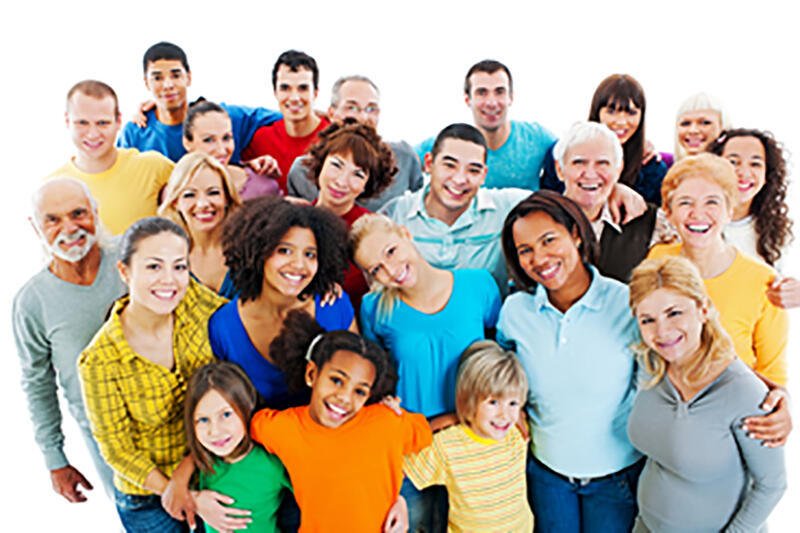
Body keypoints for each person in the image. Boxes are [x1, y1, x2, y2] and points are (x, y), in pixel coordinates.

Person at [497, 191, 643, 533]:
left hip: (617, 477)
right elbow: (504, 369)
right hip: (547, 476)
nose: (540, 258)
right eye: (525, 251)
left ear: (576, 234)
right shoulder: (515, 312)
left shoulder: (627, 303)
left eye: (549, 240)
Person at [351, 213, 501, 532]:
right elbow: (379, 378)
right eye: (375, 268)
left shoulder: (478, 284)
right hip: (413, 448)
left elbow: (500, 357)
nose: (390, 270)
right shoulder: (373, 308)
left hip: (473, 439)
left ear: (406, 234)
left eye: (390, 251)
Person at [78, 217, 228, 532]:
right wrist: (177, 491)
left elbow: (243, 321)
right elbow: (116, 450)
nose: (170, 280)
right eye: (154, 267)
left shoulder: (193, 301)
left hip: (210, 468)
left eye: (180, 266)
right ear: (125, 272)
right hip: (147, 497)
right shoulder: (100, 361)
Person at [627, 256, 786, 532]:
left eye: (674, 313)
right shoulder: (651, 368)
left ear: (703, 309)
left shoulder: (744, 392)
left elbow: (771, 484)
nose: (661, 331)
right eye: (647, 320)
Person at [252, 310, 432, 533]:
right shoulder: (282, 428)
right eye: (337, 380)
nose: (345, 398)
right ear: (312, 374)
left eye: (360, 391)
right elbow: (251, 426)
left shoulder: (386, 421)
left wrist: (395, 410)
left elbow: (423, 432)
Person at [13, 179, 126, 505]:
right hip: (106, 443)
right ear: (36, 227)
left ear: (96, 212)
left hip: (175, 423)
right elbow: (37, 384)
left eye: (78, 213)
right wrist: (55, 460)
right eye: (53, 219)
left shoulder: (133, 257)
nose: (69, 227)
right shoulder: (32, 302)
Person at [648, 153, 789, 386]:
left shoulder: (764, 281)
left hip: (734, 408)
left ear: (729, 211)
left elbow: (774, 373)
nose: (698, 213)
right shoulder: (657, 259)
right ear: (669, 214)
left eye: (712, 202)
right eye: (685, 203)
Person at [208, 196, 355, 408]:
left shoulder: (332, 304)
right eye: (284, 250)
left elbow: (360, 373)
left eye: (310, 254)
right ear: (258, 252)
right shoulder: (224, 326)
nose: (299, 265)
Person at [383, 123, 531, 294]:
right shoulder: (395, 214)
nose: (460, 179)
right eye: (449, 165)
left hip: (485, 319)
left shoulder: (504, 207)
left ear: (483, 175)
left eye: (473, 170)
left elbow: (558, 205)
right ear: (429, 164)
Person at [403, 340, 533, 532]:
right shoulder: (447, 445)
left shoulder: (516, 434)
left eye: (512, 403)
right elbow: (402, 469)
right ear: (469, 400)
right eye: (493, 402)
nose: (504, 415)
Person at [119, 41, 282, 164]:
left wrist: (248, 167)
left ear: (188, 77)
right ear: (147, 83)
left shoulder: (221, 118)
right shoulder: (135, 132)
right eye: (157, 78)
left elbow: (285, 116)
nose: (168, 85)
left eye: (176, 76)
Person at [553, 121, 676, 282]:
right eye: (579, 162)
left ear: (618, 169)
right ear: (560, 170)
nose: (590, 174)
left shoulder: (652, 222)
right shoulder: (538, 220)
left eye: (602, 163)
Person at [47, 80, 174, 235]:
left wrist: (168, 108)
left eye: (102, 123)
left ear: (118, 121)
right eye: (82, 123)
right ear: (68, 121)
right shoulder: (53, 187)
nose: (93, 134)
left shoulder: (154, 167)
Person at [287, 74, 424, 210]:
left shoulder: (404, 157)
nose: (363, 117)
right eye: (352, 107)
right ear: (332, 113)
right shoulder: (301, 172)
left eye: (371, 109)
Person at [415, 59, 556, 190]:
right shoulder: (447, 144)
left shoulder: (537, 138)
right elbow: (402, 162)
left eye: (499, 92)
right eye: (481, 92)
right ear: (467, 99)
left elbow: (571, 161)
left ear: (511, 97)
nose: (491, 103)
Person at [184, 362, 291, 533]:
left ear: (247, 406)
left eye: (226, 414)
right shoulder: (203, 461)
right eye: (203, 420)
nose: (215, 431)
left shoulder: (272, 462)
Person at [304, 119, 397, 307]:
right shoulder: (297, 218)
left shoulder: (371, 229)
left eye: (358, 174)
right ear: (321, 164)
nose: (342, 181)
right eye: (337, 165)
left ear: (366, 185)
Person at [541, 74, 668, 205]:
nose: (621, 121)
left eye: (631, 113)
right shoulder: (563, 152)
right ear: (597, 112)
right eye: (611, 111)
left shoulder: (652, 169)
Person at [709, 128, 799, 308]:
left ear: (767, 175)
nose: (744, 172)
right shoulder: (694, 223)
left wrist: (791, 292)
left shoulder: (776, 230)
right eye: (733, 162)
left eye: (755, 164)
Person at [158, 151, 243, 298]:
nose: (203, 204)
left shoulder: (249, 250)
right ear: (175, 202)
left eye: (213, 193)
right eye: (190, 195)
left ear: (227, 198)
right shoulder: (164, 258)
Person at [242, 50, 331, 190]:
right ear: (275, 93)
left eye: (303, 88)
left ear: (316, 93)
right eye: (285, 88)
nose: (294, 97)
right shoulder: (260, 140)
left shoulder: (333, 139)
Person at [182, 100, 281, 199]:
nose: (221, 150)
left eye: (226, 138)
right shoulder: (177, 190)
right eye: (208, 140)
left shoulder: (261, 187)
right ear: (187, 143)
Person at [672, 92, 732, 162]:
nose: (693, 130)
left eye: (704, 123)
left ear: (723, 127)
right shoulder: (664, 166)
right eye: (685, 123)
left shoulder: (735, 169)